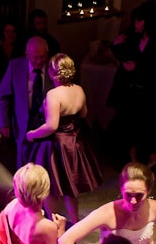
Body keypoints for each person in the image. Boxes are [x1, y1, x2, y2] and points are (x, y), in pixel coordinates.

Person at [26, 53, 103, 223]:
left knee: (51, 188)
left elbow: (51, 126)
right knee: (69, 188)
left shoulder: (54, 94)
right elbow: (83, 114)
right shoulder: (79, 90)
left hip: (57, 145)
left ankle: (55, 224)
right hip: (74, 142)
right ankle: (75, 223)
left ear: (54, 73)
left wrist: (32, 134)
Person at [107, 1, 156, 168]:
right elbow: (120, 53)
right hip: (133, 88)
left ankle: (152, 158)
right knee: (130, 122)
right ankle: (132, 158)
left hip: (151, 90)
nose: (136, 23)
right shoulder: (133, 36)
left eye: (140, 20)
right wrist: (116, 45)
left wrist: (138, 67)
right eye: (136, 20)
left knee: (150, 124)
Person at [0, 36, 51, 171]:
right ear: (27, 55)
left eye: (42, 57)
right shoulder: (15, 66)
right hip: (24, 123)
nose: (39, 61)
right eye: (35, 58)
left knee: (46, 163)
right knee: (24, 165)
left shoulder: (53, 67)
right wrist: (4, 123)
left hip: (48, 123)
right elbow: (2, 96)